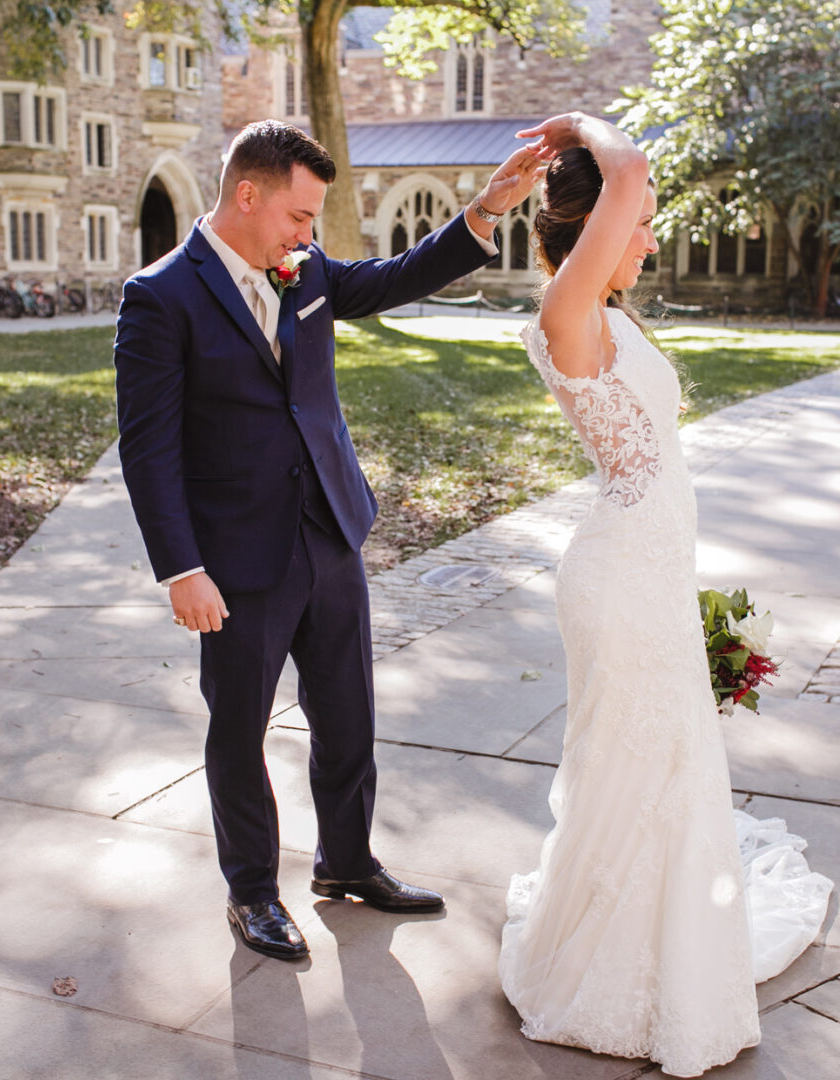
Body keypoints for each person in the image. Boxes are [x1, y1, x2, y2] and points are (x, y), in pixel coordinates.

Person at [114, 120, 548, 960]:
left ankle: (346, 862)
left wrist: (487, 210)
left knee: (348, 715)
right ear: (248, 195)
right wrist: (182, 569)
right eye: (300, 216)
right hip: (235, 560)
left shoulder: (306, 270)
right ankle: (250, 893)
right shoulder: (160, 297)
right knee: (238, 728)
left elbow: (391, 277)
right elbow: (148, 448)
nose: (308, 236)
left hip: (331, 533)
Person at [497, 113, 834, 1077]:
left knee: (664, 760)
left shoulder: (604, 311)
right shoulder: (568, 309)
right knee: (636, 760)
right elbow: (630, 166)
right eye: (638, 222)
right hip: (617, 574)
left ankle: (656, 947)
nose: (650, 235)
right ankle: (611, 968)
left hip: (646, 567)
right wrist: (580, 129)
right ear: (593, 224)